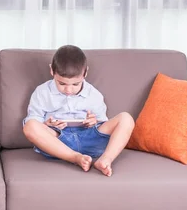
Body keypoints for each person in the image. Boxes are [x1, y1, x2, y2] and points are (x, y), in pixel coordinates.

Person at [22, 45, 135, 176]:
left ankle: (105, 160)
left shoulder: (94, 94)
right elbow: (33, 118)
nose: (69, 90)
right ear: (52, 71)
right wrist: (46, 124)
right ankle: (74, 157)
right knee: (29, 126)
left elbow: (103, 121)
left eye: (75, 84)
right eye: (62, 84)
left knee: (126, 118)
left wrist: (95, 121)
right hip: (58, 141)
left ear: (85, 73)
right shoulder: (42, 92)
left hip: (90, 138)